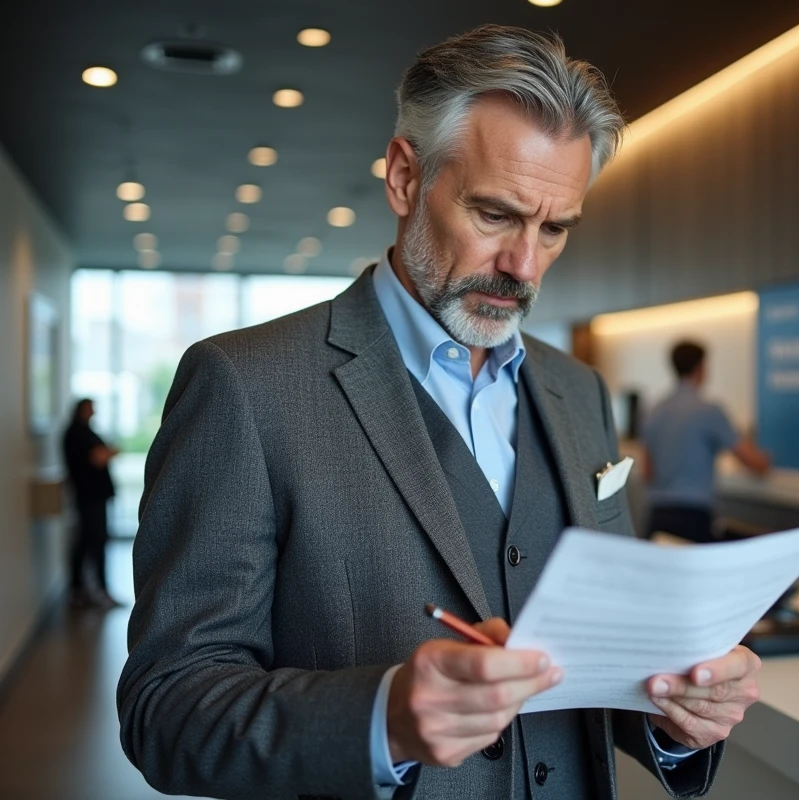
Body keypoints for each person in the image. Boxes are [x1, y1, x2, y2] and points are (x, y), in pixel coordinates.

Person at [118, 26, 760, 800]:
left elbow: (603, 669)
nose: (524, 266)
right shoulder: (244, 387)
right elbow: (166, 710)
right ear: (402, 178)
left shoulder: (578, 392)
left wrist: (674, 714)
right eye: (495, 214)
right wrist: (382, 718)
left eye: (554, 228)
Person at [642, 341, 771, 543]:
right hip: (693, 518)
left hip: (657, 516)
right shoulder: (709, 411)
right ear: (700, 368)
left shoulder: (654, 410)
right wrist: (767, 460)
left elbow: (647, 473)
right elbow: (752, 462)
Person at [62, 398, 119, 609]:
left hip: (93, 496)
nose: (93, 411)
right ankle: (96, 590)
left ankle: (84, 589)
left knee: (87, 541)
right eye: (90, 408)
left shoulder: (84, 430)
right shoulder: (76, 433)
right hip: (89, 496)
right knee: (95, 541)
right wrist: (106, 453)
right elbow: (95, 458)